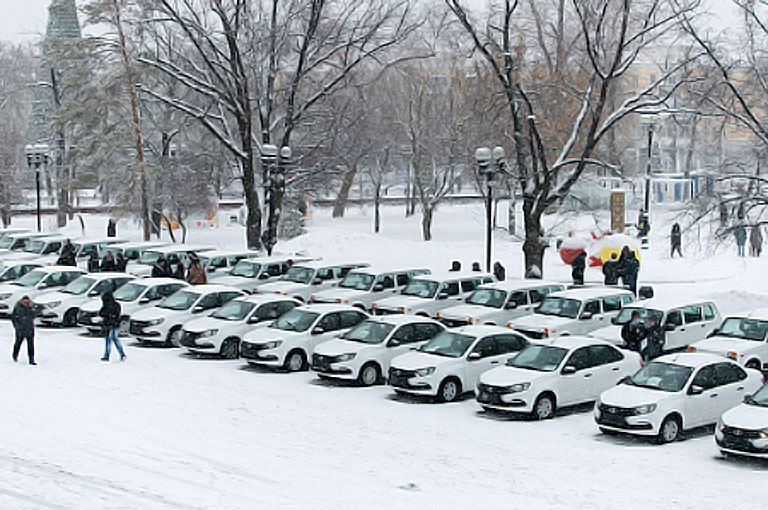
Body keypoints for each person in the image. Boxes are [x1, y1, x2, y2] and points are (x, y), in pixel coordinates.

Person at [12, 296, 43, 365]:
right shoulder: (18, 308)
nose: (26, 303)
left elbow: (35, 314)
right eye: (25, 302)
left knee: (31, 345)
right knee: (18, 343)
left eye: (27, 302)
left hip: (30, 329)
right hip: (21, 329)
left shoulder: (30, 308)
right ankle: (15, 355)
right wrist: (17, 327)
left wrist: (40, 308)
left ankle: (31, 359)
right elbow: (14, 318)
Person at [98, 292, 125, 362]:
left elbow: (101, 313)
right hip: (115, 324)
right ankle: (122, 354)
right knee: (115, 339)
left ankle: (107, 355)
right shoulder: (116, 305)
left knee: (108, 340)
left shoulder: (106, 306)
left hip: (109, 325)